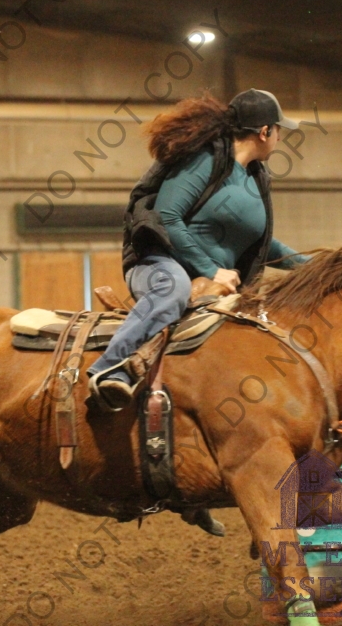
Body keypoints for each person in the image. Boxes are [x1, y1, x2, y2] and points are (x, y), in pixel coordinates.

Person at [86, 89, 310, 412]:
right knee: (173, 289)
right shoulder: (205, 160)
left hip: (215, 285)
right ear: (264, 132)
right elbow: (167, 217)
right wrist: (211, 270)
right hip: (158, 265)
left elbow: (263, 244)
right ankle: (110, 369)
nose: (280, 136)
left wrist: (310, 265)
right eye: (279, 129)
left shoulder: (255, 177)